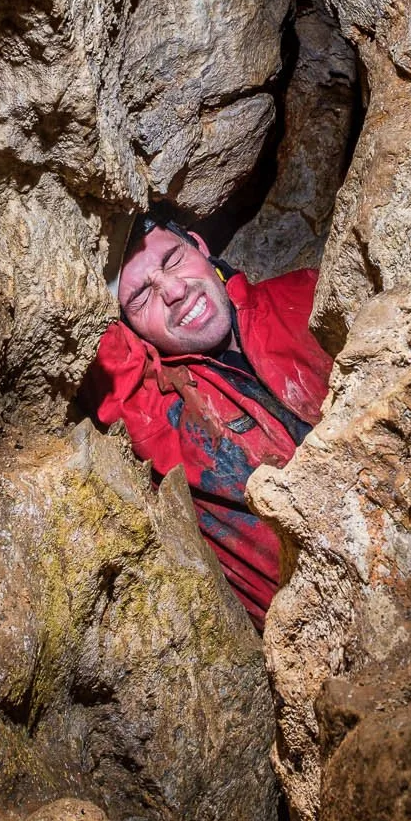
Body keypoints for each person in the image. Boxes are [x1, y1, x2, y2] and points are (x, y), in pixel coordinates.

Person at [86, 204, 332, 627]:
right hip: (325, 629)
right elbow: (89, 344)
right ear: (132, 330)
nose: (174, 291)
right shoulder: (164, 414)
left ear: (199, 245)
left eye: (173, 260)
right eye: (142, 297)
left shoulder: (309, 297)